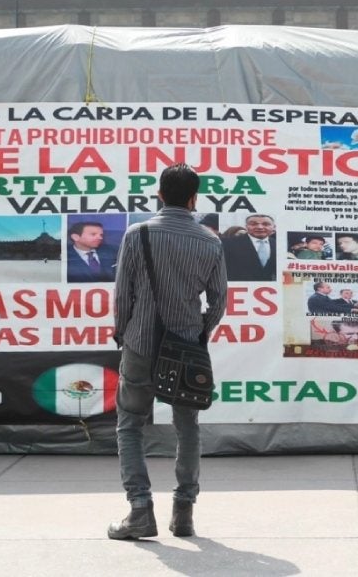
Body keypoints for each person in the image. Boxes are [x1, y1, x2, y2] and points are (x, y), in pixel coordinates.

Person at [108, 163, 228, 540]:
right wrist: (197, 334)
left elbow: (122, 294)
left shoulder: (137, 233)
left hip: (141, 344)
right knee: (187, 427)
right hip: (187, 347)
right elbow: (220, 301)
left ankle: (140, 510)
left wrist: (122, 333)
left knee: (130, 425)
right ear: (195, 198)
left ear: (159, 194)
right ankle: (184, 512)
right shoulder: (210, 241)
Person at [221, 214, 276, 281]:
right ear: (246, 227)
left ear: (274, 227)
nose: (260, 227)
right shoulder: (227, 244)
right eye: (253, 224)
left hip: (268, 289)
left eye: (265, 224)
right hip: (238, 288)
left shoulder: (278, 244)